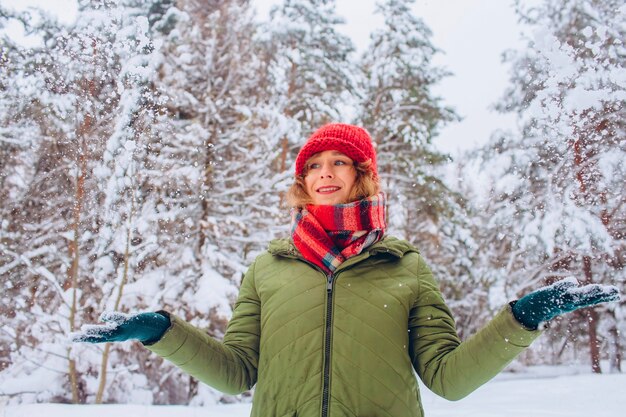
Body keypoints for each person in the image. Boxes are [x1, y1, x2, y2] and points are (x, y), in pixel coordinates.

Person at [73, 123, 621, 417]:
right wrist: (161, 333)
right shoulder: (269, 268)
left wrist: (521, 320)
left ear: (362, 175)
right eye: (313, 165)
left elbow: (448, 380)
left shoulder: (404, 267)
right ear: (303, 181)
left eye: (338, 161)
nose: (324, 172)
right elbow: (239, 372)